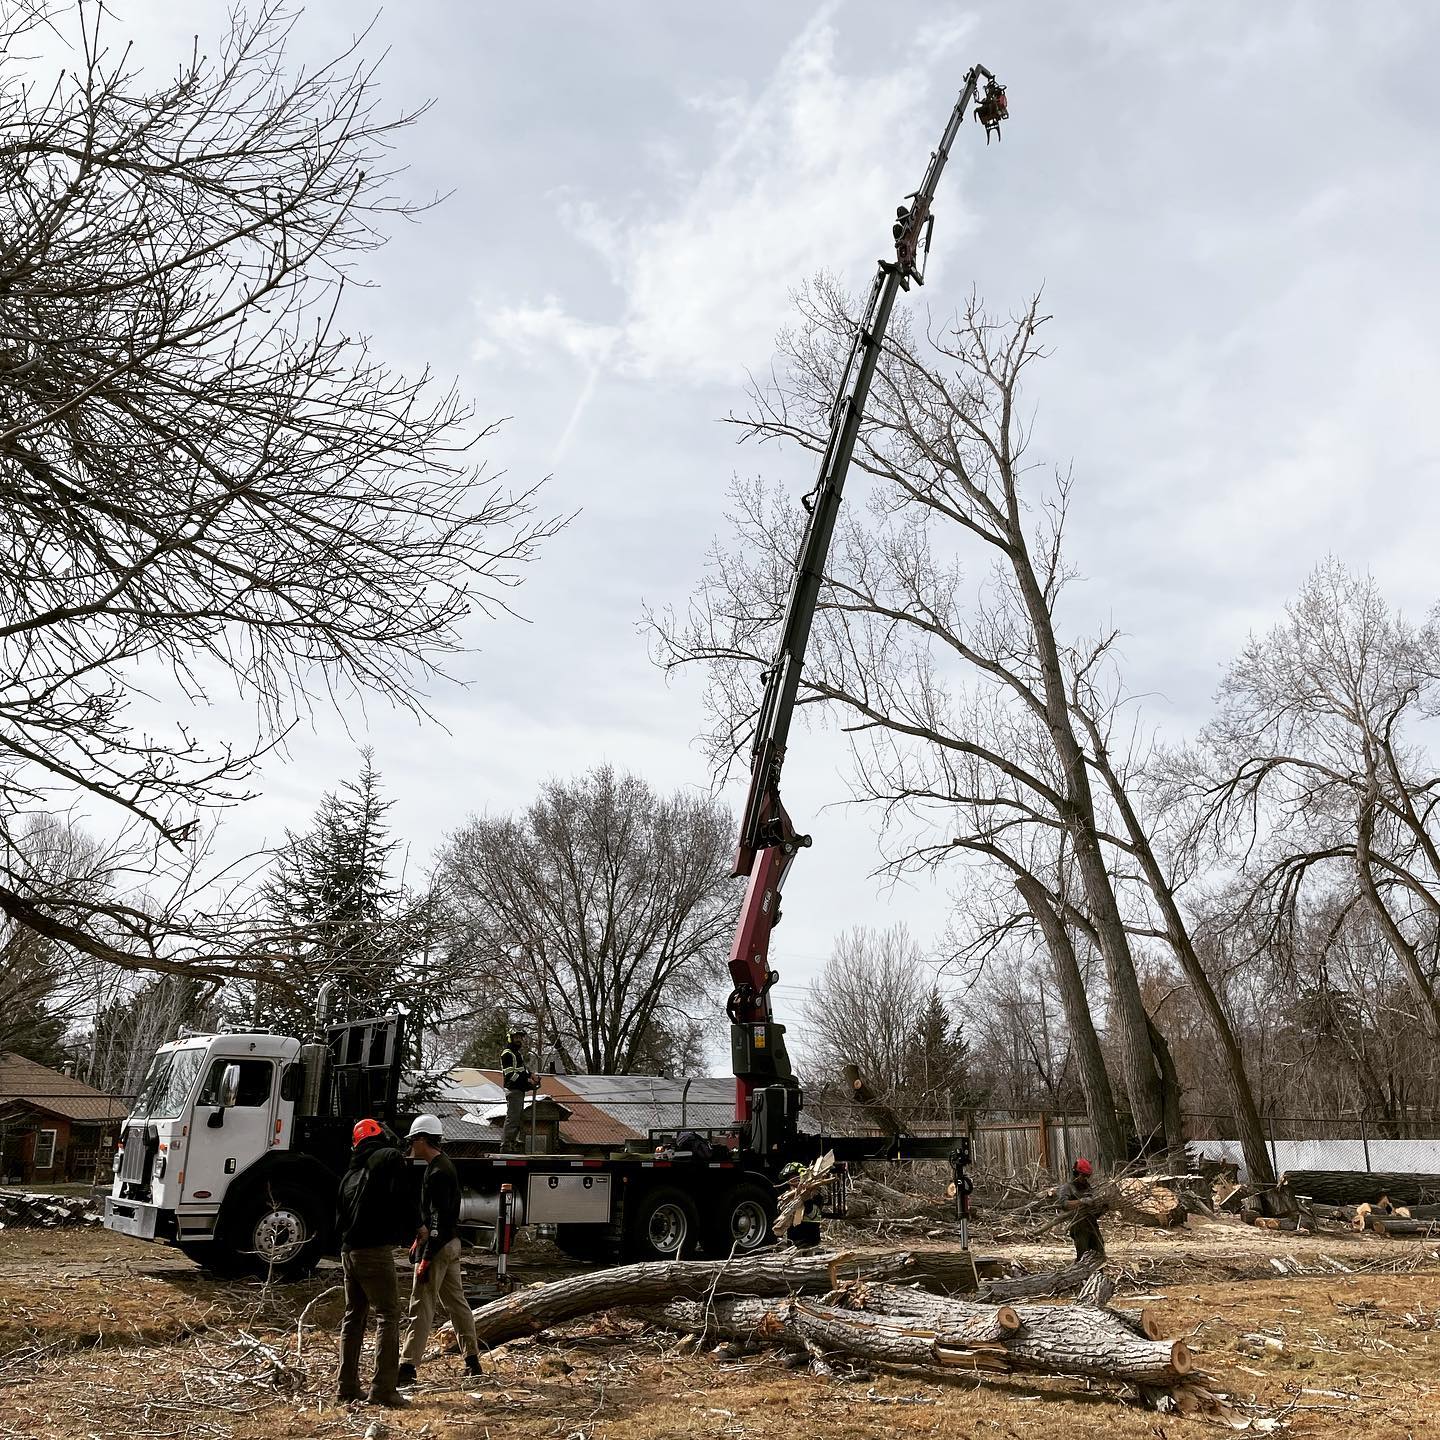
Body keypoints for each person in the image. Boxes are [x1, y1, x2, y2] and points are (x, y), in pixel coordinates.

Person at [397, 1115, 481, 1386]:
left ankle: (407, 1368)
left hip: (440, 1245)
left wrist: (426, 1256)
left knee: (421, 1304)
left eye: (412, 1141)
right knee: (457, 1303)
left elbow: (437, 1219)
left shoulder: (436, 1173)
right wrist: (419, 1241)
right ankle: (472, 1361)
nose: (411, 1145)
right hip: (450, 1244)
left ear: (422, 1139)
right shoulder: (443, 1166)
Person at [335, 1118, 412, 1408]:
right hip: (373, 1250)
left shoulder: (350, 1173)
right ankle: (383, 1390)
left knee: (353, 1316)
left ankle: (346, 1387)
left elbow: (340, 1218)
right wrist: (417, 1227)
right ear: (379, 1135)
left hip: (348, 1251)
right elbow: (403, 1197)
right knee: (388, 1315)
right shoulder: (389, 1157)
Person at [1055, 1156, 1107, 1260]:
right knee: (1083, 1255)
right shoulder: (1067, 1188)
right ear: (1077, 1174)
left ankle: (1098, 1275)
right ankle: (1082, 1274)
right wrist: (1081, 1202)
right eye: (1084, 1176)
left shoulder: (1087, 1187)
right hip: (1079, 1226)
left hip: (1092, 1225)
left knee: (1099, 1252)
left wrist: (1102, 1208)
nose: (1086, 1179)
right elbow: (1063, 1204)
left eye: (1087, 1177)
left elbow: (1094, 1210)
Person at [500, 1028, 536, 1151]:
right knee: (513, 1118)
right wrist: (527, 1081)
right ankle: (506, 1146)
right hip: (513, 1090)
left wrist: (531, 1075)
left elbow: (522, 1071)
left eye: (521, 1038)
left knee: (518, 1119)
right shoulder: (507, 1054)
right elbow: (511, 1075)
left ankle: (512, 1144)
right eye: (516, 1037)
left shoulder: (517, 1054)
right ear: (510, 1038)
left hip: (519, 1091)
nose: (519, 1040)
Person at [779, 1160, 823, 1249]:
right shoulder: (786, 1197)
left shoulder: (815, 1195)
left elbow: (813, 1214)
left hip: (809, 1241)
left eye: (796, 1178)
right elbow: (781, 1213)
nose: (793, 1183)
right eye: (790, 1179)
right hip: (793, 1242)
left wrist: (806, 1199)